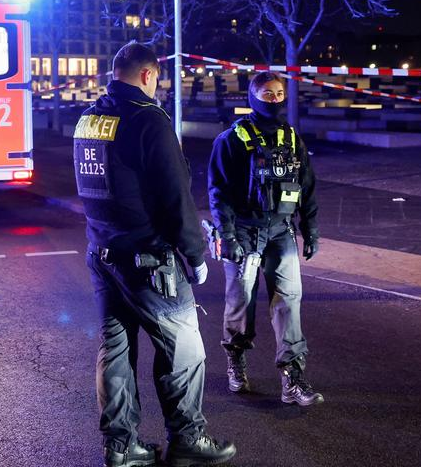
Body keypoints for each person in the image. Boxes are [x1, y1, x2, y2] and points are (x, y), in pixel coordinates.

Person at [75, 42, 236, 467]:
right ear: (148, 75)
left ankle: (120, 446)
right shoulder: (148, 120)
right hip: (149, 259)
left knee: (115, 352)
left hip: (104, 253)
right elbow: (174, 196)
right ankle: (187, 438)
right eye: (158, 78)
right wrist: (195, 255)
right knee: (185, 352)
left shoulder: (89, 118)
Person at [207, 71, 324, 407]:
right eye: (266, 93)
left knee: (289, 303)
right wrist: (227, 234)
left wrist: (311, 229)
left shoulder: (291, 138)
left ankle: (292, 378)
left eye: (278, 93)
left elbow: (308, 187)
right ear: (252, 96)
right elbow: (219, 191)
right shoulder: (231, 139)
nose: (273, 99)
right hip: (243, 232)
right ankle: (236, 358)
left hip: (280, 232)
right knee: (241, 302)